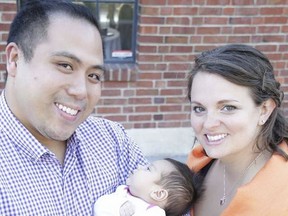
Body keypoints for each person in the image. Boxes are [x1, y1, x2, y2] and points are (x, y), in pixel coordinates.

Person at [0, 1, 147, 215]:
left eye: (93, 76)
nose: (81, 91)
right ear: (14, 60)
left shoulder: (115, 144)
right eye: (65, 65)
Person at [186, 44, 288, 216]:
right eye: (199, 108)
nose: (209, 124)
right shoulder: (197, 163)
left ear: (264, 110)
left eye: (227, 107)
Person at [93, 158, 203, 216]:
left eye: (148, 169)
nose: (140, 166)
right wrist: (119, 206)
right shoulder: (121, 192)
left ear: (158, 193)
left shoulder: (154, 213)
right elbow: (99, 206)